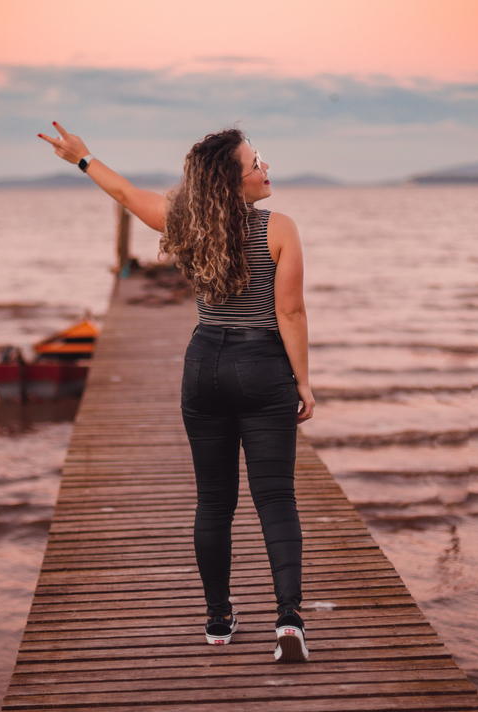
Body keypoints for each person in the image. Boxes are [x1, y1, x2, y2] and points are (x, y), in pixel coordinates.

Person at [38, 122, 315, 663]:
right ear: (235, 181)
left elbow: (123, 193)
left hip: (204, 364)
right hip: (262, 367)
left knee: (214, 502)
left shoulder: (185, 224)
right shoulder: (279, 228)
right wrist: (302, 380)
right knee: (276, 499)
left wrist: (83, 157)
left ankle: (218, 620)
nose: (266, 168)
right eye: (256, 162)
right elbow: (290, 312)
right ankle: (288, 621)